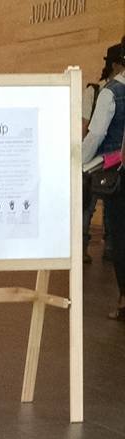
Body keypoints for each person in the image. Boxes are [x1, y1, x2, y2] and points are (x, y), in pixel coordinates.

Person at [82, 43, 125, 318]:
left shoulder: (112, 92)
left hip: (117, 172)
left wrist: (79, 161)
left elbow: (96, 134)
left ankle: (123, 299)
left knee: (120, 233)